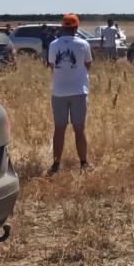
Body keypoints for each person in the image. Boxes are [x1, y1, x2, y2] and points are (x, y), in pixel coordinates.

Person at [47, 14, 93, 175]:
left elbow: (52, 65)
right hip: (79, 92)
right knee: (79, 129)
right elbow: (88, 65)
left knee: (59, 129)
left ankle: (56, 165)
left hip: (58, 92)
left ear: (63, 27)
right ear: (76, 27)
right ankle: (84, 163)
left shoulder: (53, 45)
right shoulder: (83, 44)